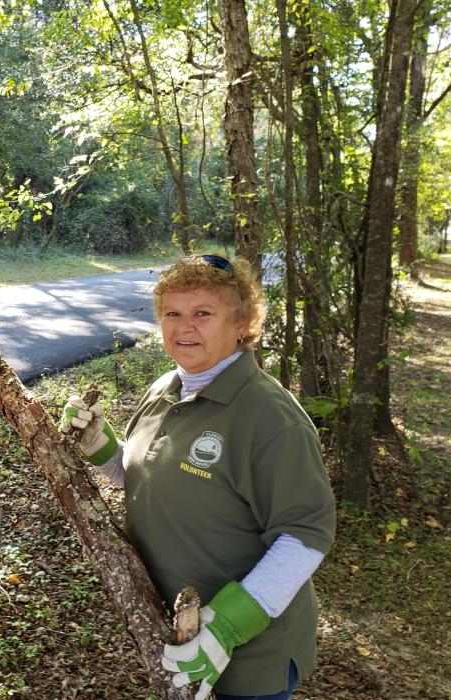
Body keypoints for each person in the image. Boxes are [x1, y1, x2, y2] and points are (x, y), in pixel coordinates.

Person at [60, 254, 336, 700]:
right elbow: (146, 480)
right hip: (176, 640)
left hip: (249, 662)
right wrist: (98, 444)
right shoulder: (165, 388)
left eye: (202, 313)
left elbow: (305, 534)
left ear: (243, 323)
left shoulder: (270, 417)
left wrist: (226, 626)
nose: (184, 326)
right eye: (172, 313)